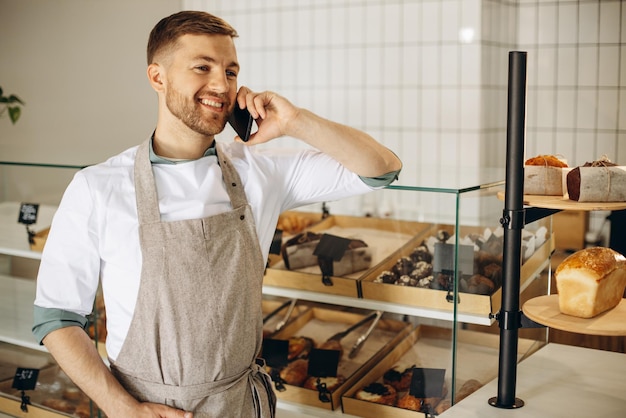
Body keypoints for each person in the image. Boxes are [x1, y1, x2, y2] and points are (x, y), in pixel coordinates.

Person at [32, 10, 402, 418]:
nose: (220, 85)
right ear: (158, 77)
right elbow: (58, 317)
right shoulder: (97, 187)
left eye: (230, 71)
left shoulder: (258, 171)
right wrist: (122, 408)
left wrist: (295, 121)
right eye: (202, 67)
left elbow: (382, 168)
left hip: (241, 404)